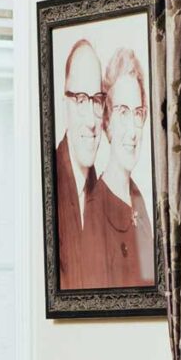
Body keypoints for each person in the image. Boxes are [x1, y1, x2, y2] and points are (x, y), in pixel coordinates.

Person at [89, 46, 155, 287]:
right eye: (123, 112)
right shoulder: (95, 210)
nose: (132, 131)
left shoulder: (138, 199)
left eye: (138, 113)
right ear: (107, 121)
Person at [53, 39, 111, 289]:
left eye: (96, 100)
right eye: (80, 99)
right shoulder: (48, 186)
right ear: (64, 102)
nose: (90, 119)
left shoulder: (105, 197)